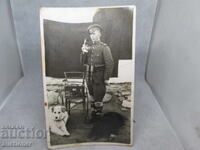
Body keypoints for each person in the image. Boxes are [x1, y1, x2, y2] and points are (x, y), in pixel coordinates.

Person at [80, 24, 114, 118]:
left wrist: (106, 78)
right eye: (91, 34)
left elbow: (110, 64)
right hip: (89, 76)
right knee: (91, 96)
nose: (92, 36)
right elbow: (82, 62)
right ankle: (94, 114)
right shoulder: (88, 48)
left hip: (99, 77)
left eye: (94, 34)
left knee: (98, 97)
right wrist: (83, 52)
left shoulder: (104, 47)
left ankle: (97, 117)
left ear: (99, 34)